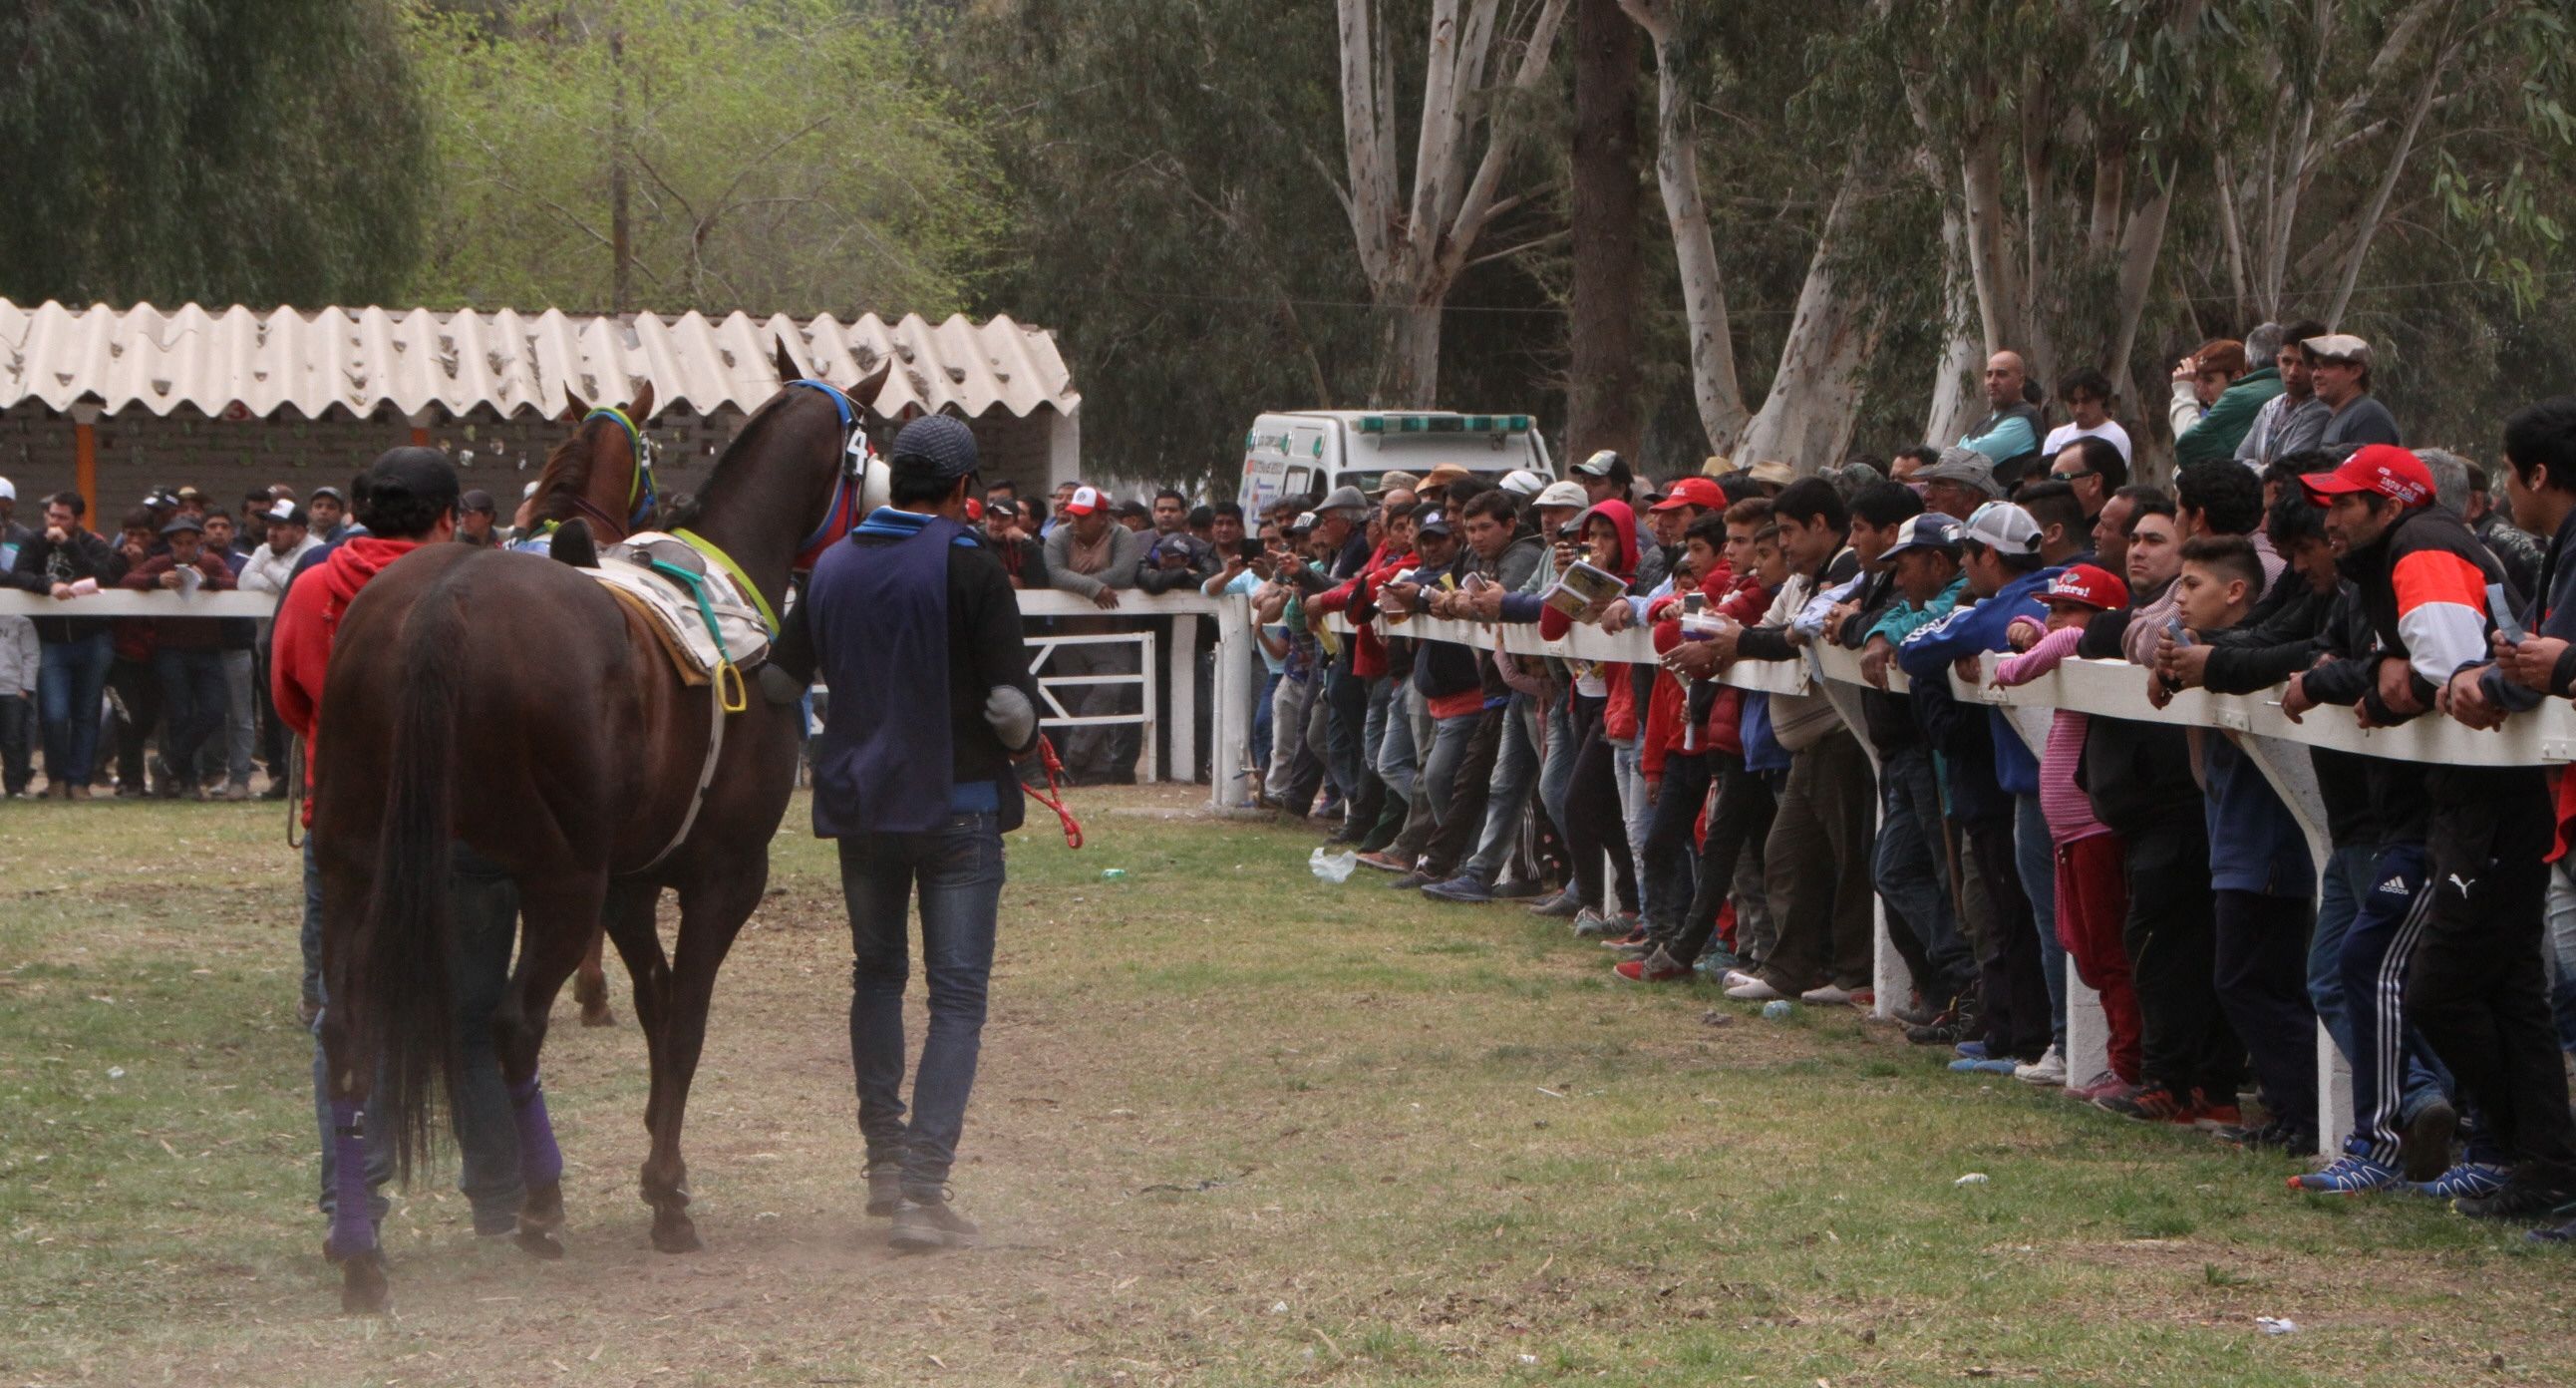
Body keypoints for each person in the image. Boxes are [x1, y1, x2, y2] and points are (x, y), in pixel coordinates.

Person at [2286, 444, 2576, 1218]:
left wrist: (2384, 681)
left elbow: (2449, 672)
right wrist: (2380, 671)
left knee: (2443, 986)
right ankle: (2527, 1162)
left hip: (2486, 800)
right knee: (2503, 989)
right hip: (2475, 798)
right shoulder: (2402, 555)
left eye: (2345, 502)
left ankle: (2497, 1152)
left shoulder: (2420, 548)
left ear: (2390, 506)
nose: (2329, 517)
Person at [773, 415, 1042, 1250]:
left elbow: (780, 681)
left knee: (878, 975)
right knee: (956, 999)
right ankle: (923, 1191)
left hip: (864, 809)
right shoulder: (972, 564)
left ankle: (885, 1164)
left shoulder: (831, 567)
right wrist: (1026, 747)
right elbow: (1009, 708)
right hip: (959, 807)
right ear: (962, 489)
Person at [274, 446, 535, 1244]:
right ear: (449, 517)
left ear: (360, 511)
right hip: (468, 829)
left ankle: (353, 1201)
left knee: (347, 1017)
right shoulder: (486, 592)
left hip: (350, 833)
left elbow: (289, 696)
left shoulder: (315, 585)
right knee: (476, 1015)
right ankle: (500, 1199)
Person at [4, 493, 125, 799]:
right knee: (55, 714)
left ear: (79, 520)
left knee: (87, 713)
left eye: (62, 517)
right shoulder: (35, 541)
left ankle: (79, 781)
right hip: (51, 641)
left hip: (92, 639)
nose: (54, 522)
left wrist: (69, 546)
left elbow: (103, 576)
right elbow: (20, 575)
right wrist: (49, 585)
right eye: (51, 515)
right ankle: (57, 778)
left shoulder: (93, 544)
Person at [120, 516, 236, 799]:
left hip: (207, 648)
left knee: (213, 709)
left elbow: (232, 584)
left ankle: (170, 761)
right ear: (171, 544)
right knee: (179, 714)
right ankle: (187, 780)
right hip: (170, 649)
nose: (184, 549)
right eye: (179, 543)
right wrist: (156, 580)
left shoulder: (210, 562)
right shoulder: (161, 563)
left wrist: (208, 581)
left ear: (199, 542)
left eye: (190, 543)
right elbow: (127, 581)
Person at [1044, 486, 1143, 784]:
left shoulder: (1122, 535)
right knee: (1075, 702)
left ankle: (1073, 756)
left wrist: (1079, 584)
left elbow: (1124, 574)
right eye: (1074, 514)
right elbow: (1055, 573)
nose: (1075, 520)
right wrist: (1093, 588)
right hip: (1068, 635)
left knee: (1108, 691)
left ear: (1102, 517)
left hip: (1111, 632)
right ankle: (1091, 774)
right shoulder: (1058, 536)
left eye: (1084, 516)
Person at [2172, 332, 2282, 467]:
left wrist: (2183, 390)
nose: (2202, 391)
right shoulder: (2272, 387)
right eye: (2198, 381)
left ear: (2237, 377)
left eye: (2209, 380)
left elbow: (2189, 448)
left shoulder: (2239, 399)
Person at [2237, 319, 2332, 468]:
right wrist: (2264, 469)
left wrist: (2255, 469)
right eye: (2287, 362)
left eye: (2302, 363)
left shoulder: (2321, 410)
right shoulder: (2270, 408)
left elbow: (2287, 470)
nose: (2293, 372)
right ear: (2278, 361)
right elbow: (2240, 457)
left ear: (2318, 366)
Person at [1957, 351, 2045, 488]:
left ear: (2020, 381)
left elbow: (1972, 457)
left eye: (2001, 374)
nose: (1992, 381)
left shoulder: (2024, 419)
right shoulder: (1984, 422)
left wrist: (1964, 444)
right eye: (1989, 374)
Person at [2305, 334, 2401, 458]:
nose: (2316, 375)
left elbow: (2369, 467)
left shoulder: (2368, 417)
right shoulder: (2341, 417)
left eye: (2327, 365)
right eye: (2315, 367)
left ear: (2355, 372)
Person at [2042, 368, 2131, 463]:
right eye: (2073, 402)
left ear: (2102, 398)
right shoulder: (2056, 436)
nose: (2079, 409)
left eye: (2086, 401)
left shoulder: (2116, 436)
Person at [0, 603, 33, 798]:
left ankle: (15, 787)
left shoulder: (21, 622)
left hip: (12, 689)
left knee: (13, 739)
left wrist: (26, 687)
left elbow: (31, 655)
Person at [979, 500, 1047, 588]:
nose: (996, 523)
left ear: (1016, 522)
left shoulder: (1024, 545)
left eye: (1003, 518)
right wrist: (1003, 580)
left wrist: (1025, 539)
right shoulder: (977, 543)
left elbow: (1040, 582)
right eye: (992, 517)